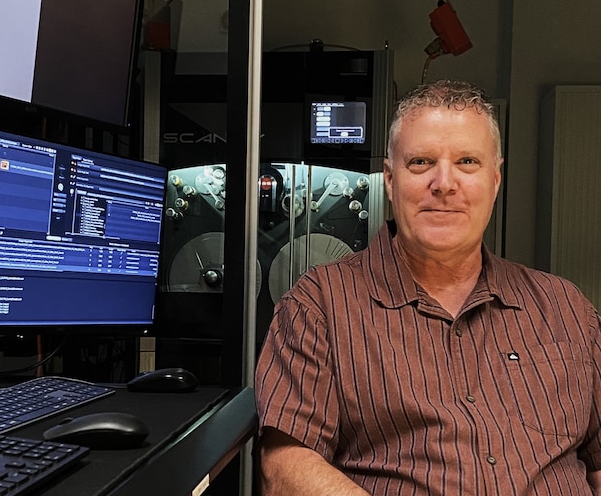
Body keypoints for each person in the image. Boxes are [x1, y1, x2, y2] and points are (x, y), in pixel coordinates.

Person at [254, 79, 601, 495]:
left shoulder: (567, 308)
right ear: (389, 178)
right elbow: (286, 465)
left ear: (495, 179)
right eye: (420, 162)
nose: (444, 183)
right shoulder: (319, 306)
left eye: (467, 162)